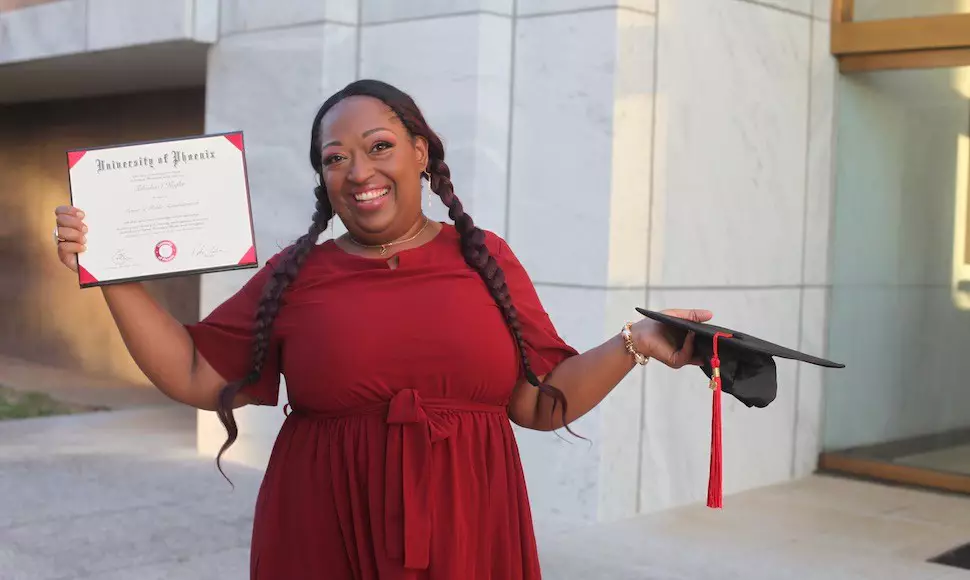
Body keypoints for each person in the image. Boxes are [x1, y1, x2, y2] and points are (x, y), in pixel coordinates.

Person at [52, 79, 711, 580]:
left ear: (421, 153)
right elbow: (196, 372)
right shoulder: (299, 275)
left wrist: (637, 343)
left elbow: (539, 401)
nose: (359, 172)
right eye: (335, 158)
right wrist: (112, 270)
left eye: (379, 148)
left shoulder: (485, 259)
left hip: (469, 525)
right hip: (325, 526)